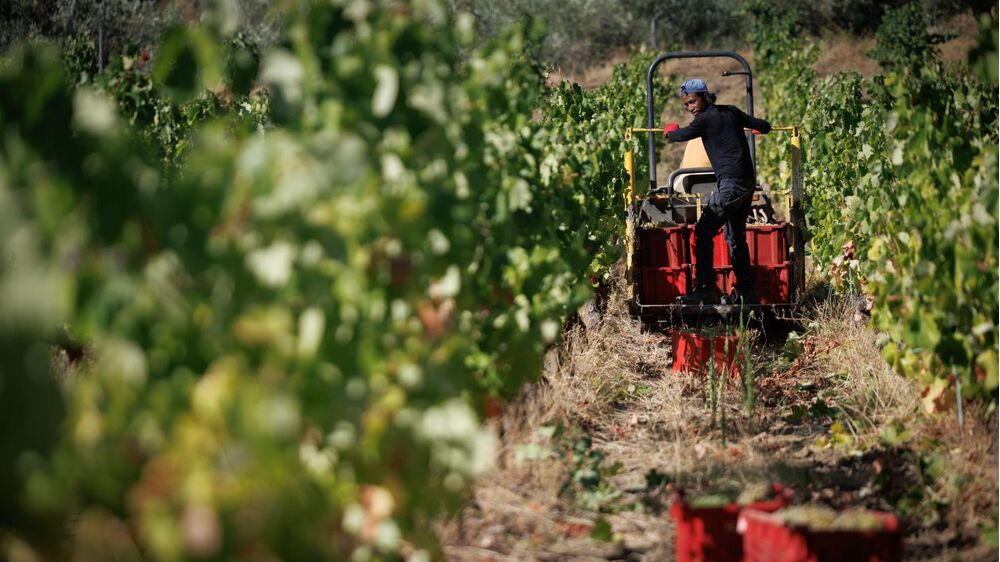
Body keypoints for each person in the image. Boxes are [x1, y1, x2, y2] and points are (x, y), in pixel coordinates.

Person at [664, 78, 771, 305]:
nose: (690, 107)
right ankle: (747, 292)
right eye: (686, 105)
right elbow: (764, 125)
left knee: (702, 231)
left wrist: (669, 131)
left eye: (692, 101)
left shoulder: (704, 120)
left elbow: (680, 136)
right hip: (747, 183)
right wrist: (756, 128)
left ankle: (705, 289)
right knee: (734, 236)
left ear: (704, 96)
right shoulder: (732, 112)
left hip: (731, 186)